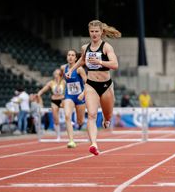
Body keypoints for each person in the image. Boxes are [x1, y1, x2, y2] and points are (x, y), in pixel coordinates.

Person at [67, 20, 120, 156]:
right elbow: (82, 60)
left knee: (108, 115)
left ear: (101, 32)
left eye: (97, 31)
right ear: (89, 32)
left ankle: (106, 120)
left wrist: (100, 62)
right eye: (92, 32)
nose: (94, 34)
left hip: (105, 85)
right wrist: (72, 69)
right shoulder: (86, 47)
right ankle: (94, 144)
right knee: (91, 115)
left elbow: (115, 64)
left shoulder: (106, 47)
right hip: (91, 84)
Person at [61, 50, 87, 148]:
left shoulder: (79, 69)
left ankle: (79, 124)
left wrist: (83, 93)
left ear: (76, 58)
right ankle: (71, 141)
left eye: (73, 55)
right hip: (69, 96)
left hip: (80, 97)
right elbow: (61, 80)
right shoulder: (64, 68)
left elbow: (87, 82)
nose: (70, 57)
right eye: (69, 55)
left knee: (80, 121)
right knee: (67, 116)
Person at [37, 69, 66, 139]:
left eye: (57, 74)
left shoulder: (64, 82)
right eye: (55, 74)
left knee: (66, 113)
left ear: (60, 75)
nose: (56, 75)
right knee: (56, 119)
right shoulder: (51, 83)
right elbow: (44, 89)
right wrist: (38, 94)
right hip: (54, 100)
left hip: (63, 100)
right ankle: (58, 136)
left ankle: (70, 121)